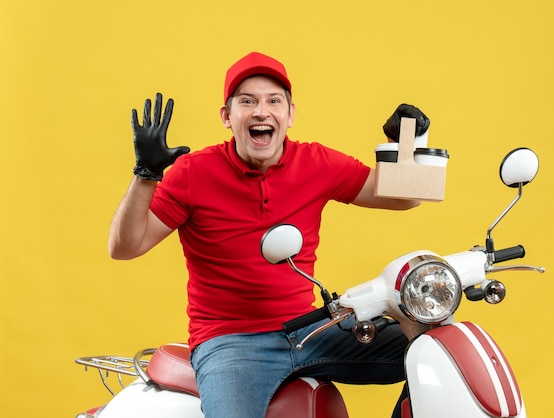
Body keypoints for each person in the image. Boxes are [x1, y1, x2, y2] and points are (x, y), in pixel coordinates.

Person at [108, 51, 429, 418]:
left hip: (309, 330)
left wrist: (408, 140)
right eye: (248, 101)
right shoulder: (192, 173)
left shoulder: (317, 163)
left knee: (434, 351)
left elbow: (406, 199)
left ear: (290, 114)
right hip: (231, 343)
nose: (262, 111)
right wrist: (145, 174)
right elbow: (124, 247)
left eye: (273, 101)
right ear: (227, 117)